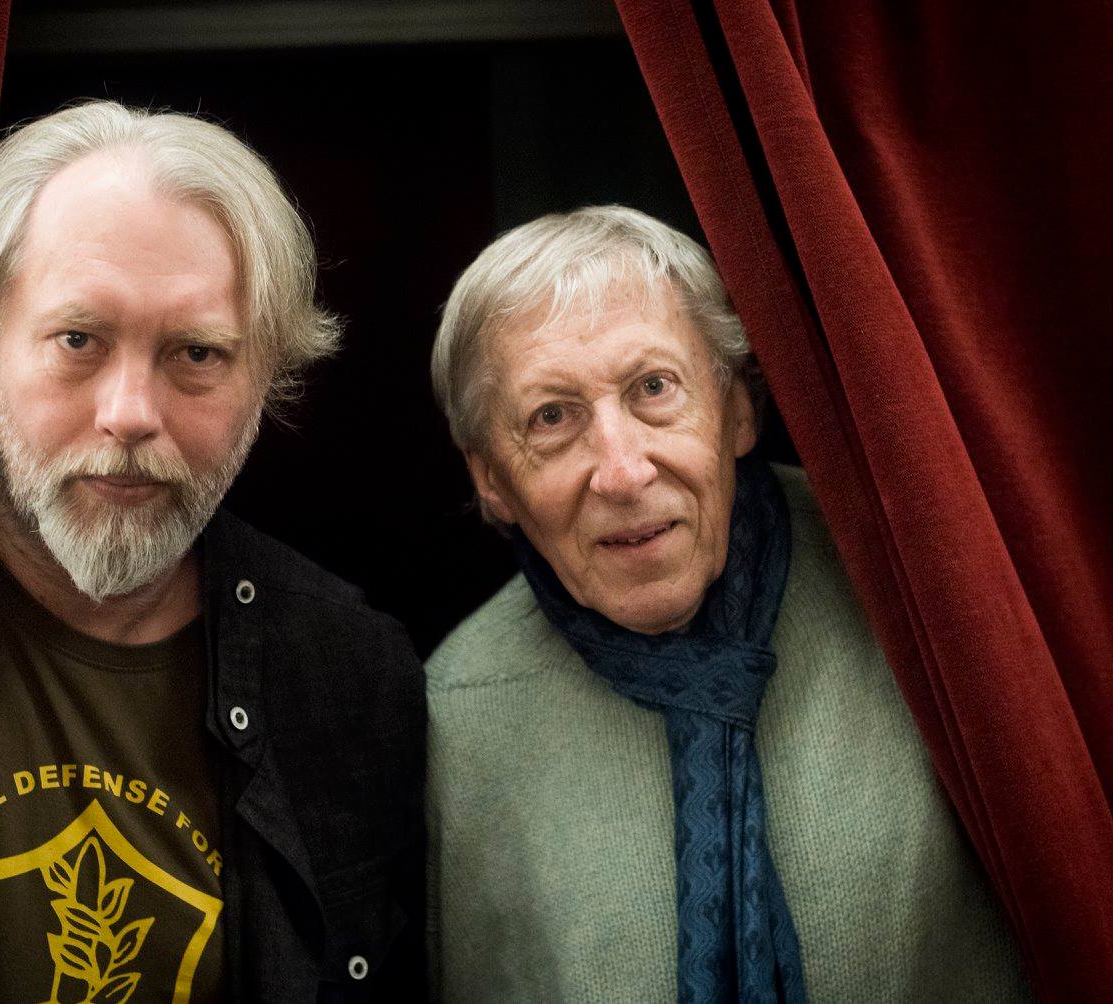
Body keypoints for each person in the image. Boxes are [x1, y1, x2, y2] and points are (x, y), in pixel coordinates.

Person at [425, 205, 1027, 1001]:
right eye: (552, 417)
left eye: (653, 388)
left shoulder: (917, 592)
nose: (622, 471)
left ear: (740, 406)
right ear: (491, 479)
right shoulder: (458, 713)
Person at [0, 100, 423, 1002]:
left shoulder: (352, 673)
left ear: (266, 381)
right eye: (78, 340)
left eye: (196, 353)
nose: (129, 415)